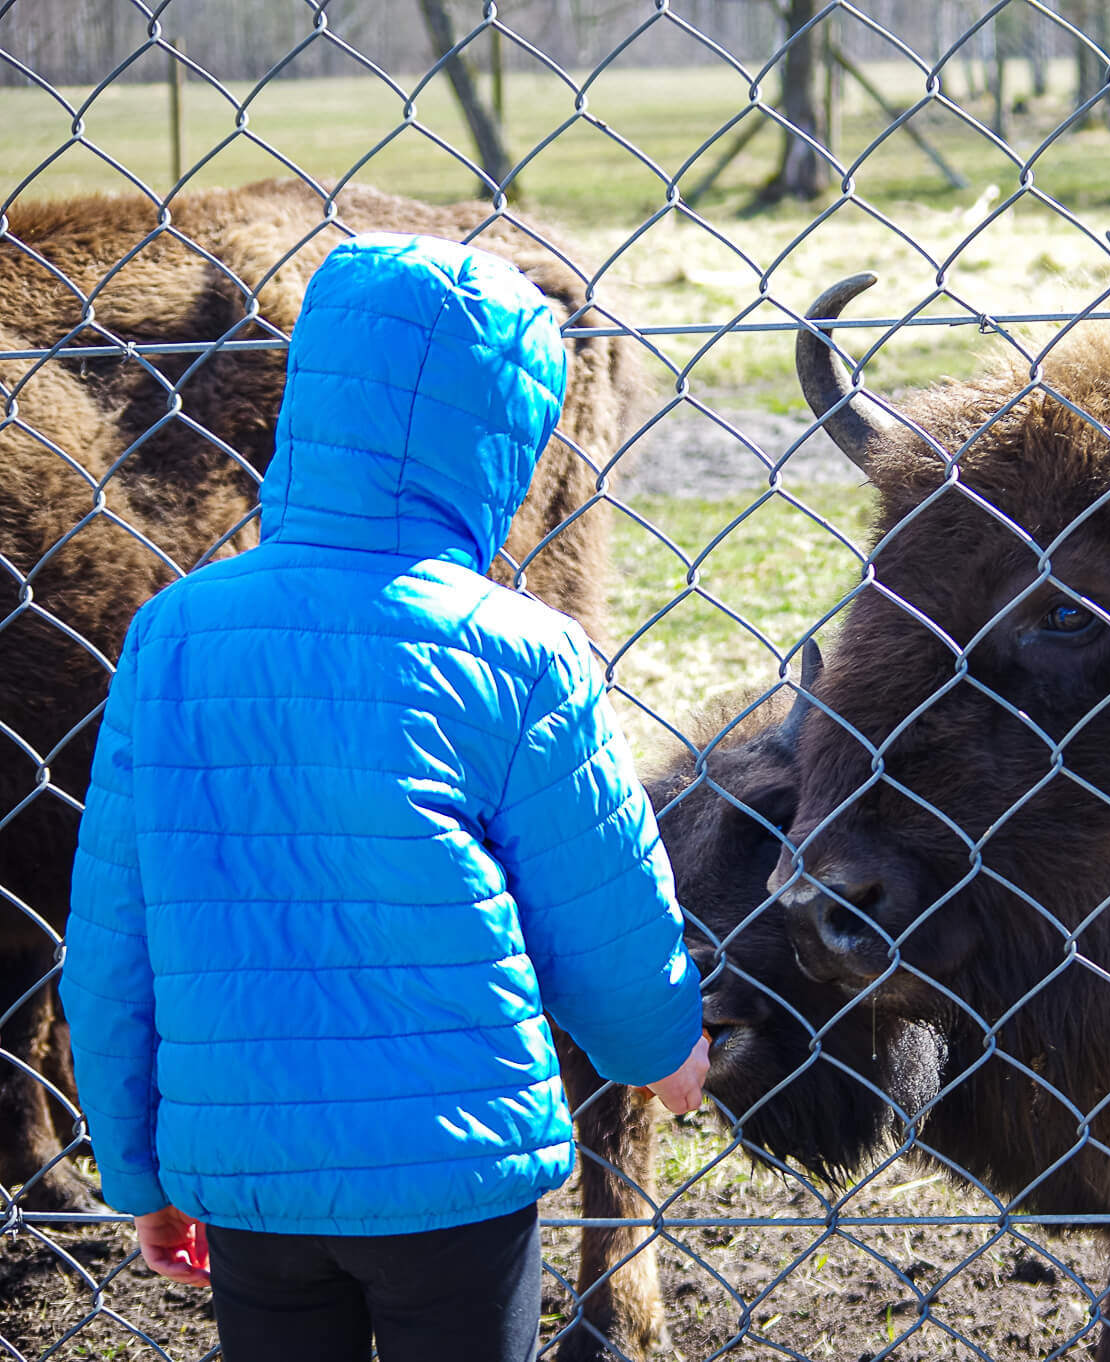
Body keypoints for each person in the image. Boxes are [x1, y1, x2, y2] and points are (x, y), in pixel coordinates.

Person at [60, 233, 710, 1362]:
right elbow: (597, 890)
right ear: (506, 440)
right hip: (453, 1172)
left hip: (247, 1173)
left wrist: (137, 1165)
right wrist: (661, 1044)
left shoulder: (174, 632)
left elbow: (112, 934)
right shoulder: (520, 651)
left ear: (304, 404)